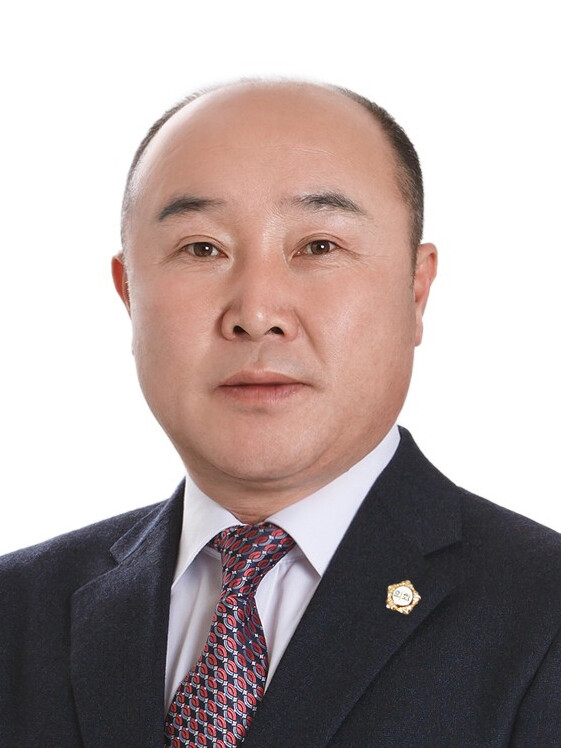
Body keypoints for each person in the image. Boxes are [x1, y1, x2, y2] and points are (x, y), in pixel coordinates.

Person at [1, 80, 560, 747]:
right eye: (201, 248)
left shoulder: (541, 614)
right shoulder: (16, 611)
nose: (257, 312)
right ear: (129, 293)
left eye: (319, 246)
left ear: (415, 290)